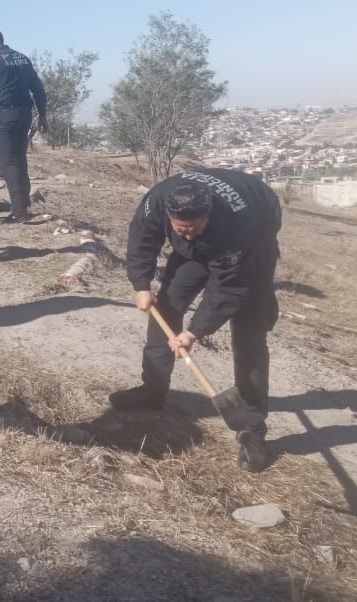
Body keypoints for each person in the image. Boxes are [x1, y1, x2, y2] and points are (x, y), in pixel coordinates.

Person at [117, 169, 283, 472]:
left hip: (253, 246)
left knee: (249, 332)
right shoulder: (157, 201)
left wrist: (194, 332)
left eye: (192, 229)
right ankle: (152, 390)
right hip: (204, 248)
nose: (187, 234)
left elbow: (229, 290)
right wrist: (140, 284)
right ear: (169, 215)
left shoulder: (239, 227)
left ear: (209, 214)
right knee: (166, 305)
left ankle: (252, 430)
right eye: (180, 230)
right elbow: (141, 238)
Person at [0, 28, 47, 222]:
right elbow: (38, 89)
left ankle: (19, 211)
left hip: (6, 116)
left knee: (7, 163)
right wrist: (43, 114)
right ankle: (24, 205)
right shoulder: (23, 59)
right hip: (24, 115)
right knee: (19, 159)